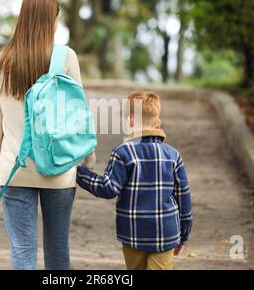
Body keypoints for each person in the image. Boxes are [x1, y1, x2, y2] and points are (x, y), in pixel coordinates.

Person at [0, 0, 83, 270]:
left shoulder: (1, 61)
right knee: (58, 249)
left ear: (22, 18)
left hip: (15, 170)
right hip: (60, 170)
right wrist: (85, 162)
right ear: (52, 20)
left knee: (22, 251)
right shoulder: (66, 58)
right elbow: (79, 117)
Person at [77, 91, 193, 270]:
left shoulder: (122, 152)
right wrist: (183, 235)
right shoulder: (173, 155)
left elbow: (108, 188)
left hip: (133, 232)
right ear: (158, 123)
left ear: (130, 121)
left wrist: (80, 173)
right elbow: (183, 198)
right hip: (166, 231)